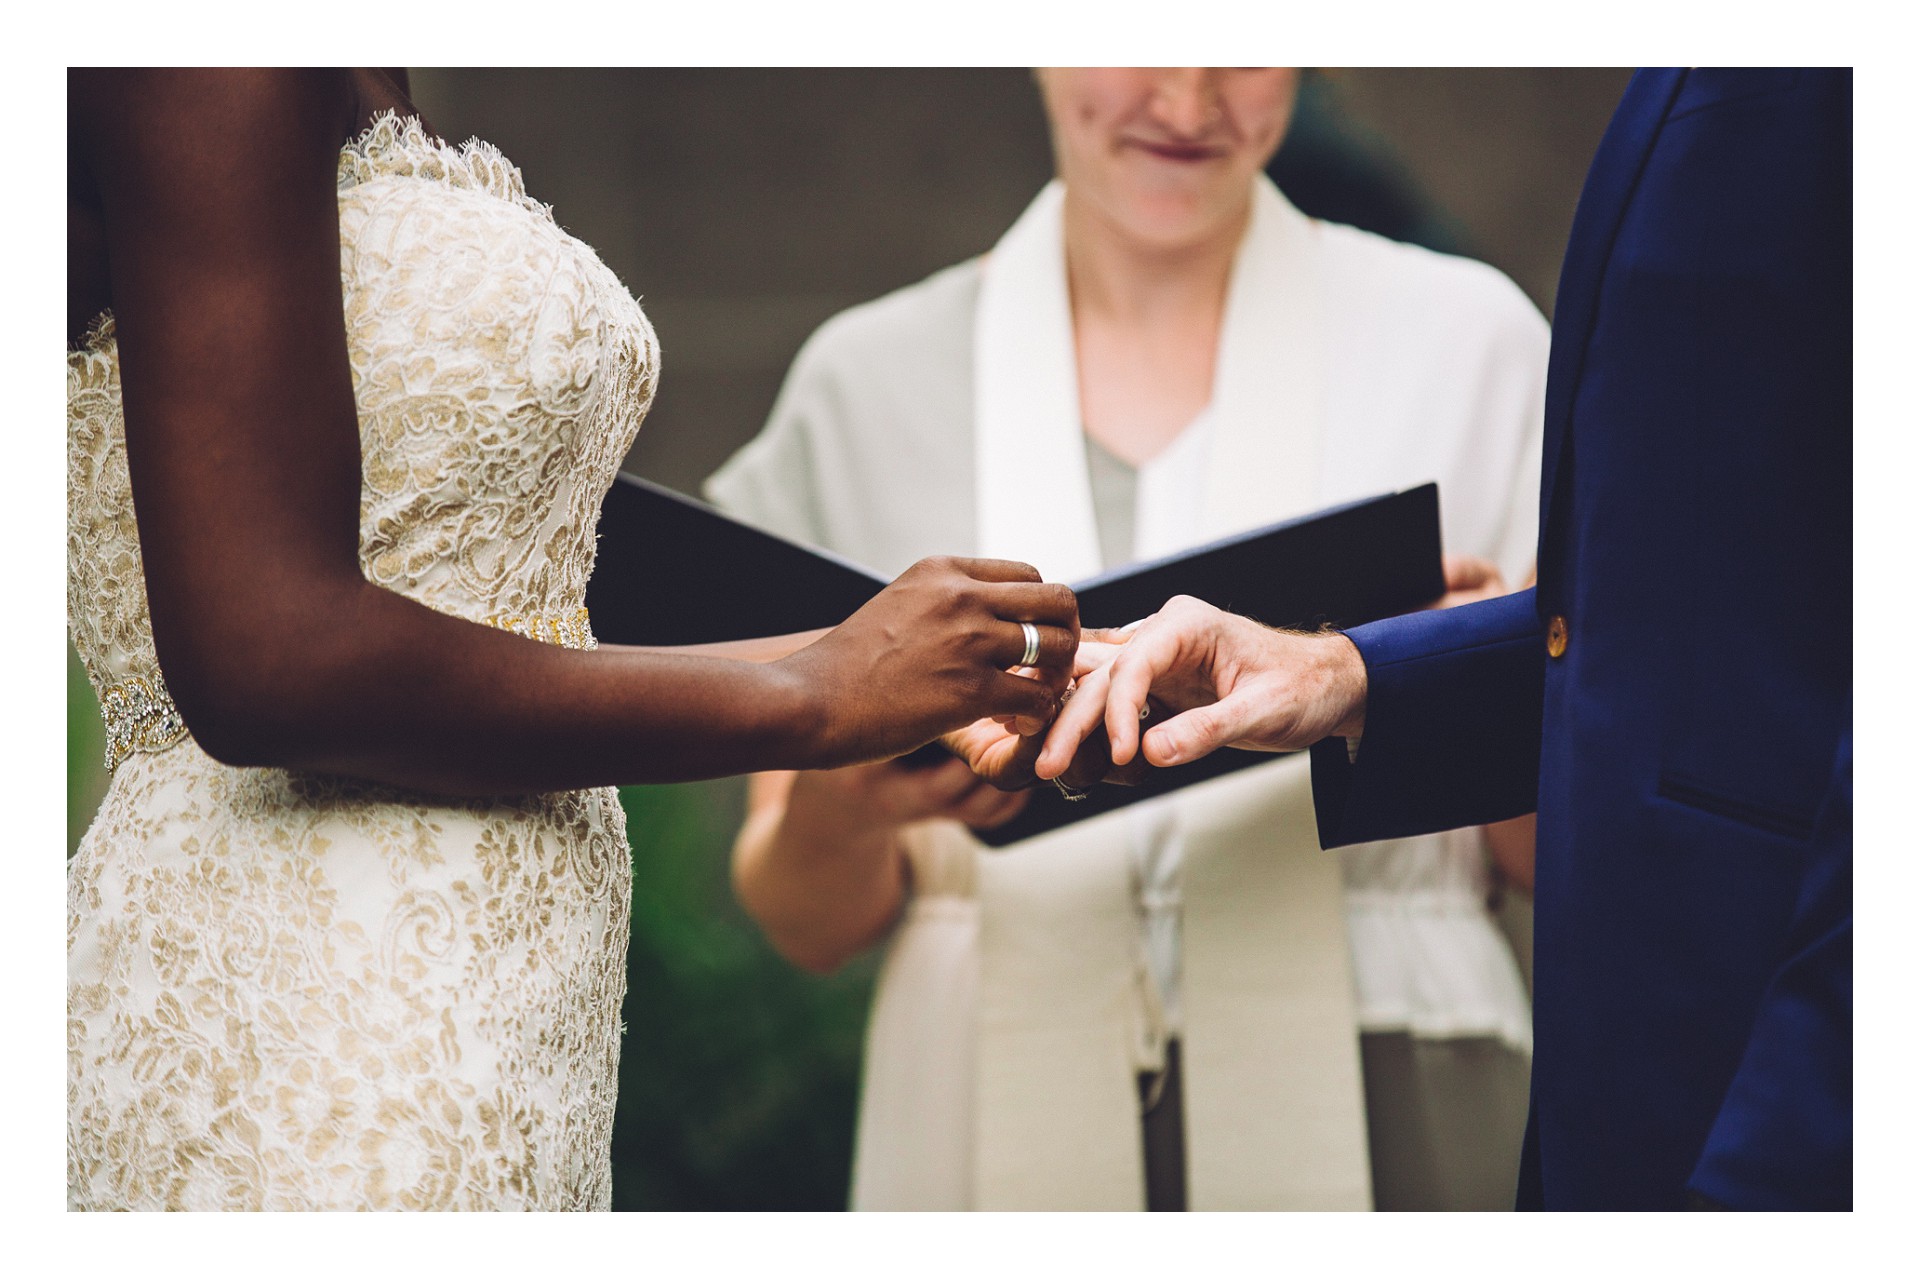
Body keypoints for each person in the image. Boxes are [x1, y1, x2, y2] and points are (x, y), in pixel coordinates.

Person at [65, 68, 1080, 1211]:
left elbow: (491, 635)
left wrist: (906, 669)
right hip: (312, 993)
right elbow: (271, 657)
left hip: (490, 1007)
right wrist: (811, 698)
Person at [707, 67, 1548, 1210]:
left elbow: (1561, 862)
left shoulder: (1476, 347)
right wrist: (848, 800)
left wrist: (1441, 688)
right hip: (984, 1085)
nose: (1188, 97)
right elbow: (805, 921)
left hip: (1394, 1068)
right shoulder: (864, 381)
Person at [1039, 67, 1852, 1211]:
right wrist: (1346, 672)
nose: (1187, 94)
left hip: (1783, 1080)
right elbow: (1694, 623)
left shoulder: (1468, 332)